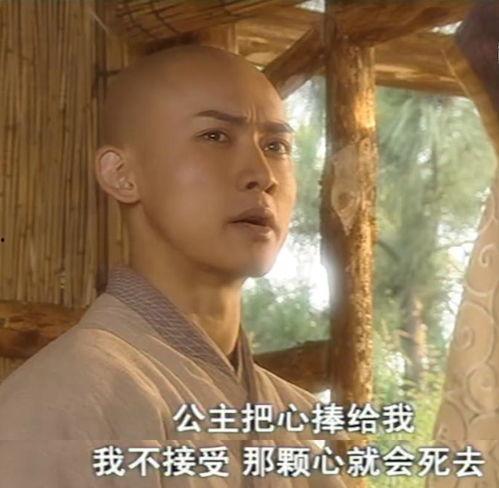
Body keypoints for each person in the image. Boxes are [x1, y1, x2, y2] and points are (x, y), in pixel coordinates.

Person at [0, 44, 346, 487]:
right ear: (121, 174)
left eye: (276, 146)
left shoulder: (297, 425)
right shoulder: (63, 405)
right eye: (215, 136)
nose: (262, 175)